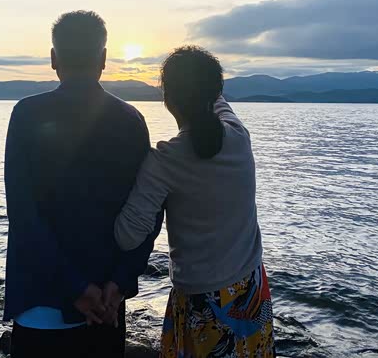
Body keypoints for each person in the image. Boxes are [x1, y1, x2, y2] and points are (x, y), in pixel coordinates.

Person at [3, 11, 163, 358]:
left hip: (41, 305)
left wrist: (76, 288)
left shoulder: (27, 114)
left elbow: (23, 215)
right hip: (106, 307)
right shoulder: (131, 120)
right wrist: (121, 281)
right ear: (103, 59)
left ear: (53, 58)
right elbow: (147, 211)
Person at [114, 46, 275, 358]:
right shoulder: (239, 137)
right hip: (251, 290)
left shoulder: (164, 161)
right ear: (215, 93)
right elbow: (218, 103)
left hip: (201, 302)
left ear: (168, 100)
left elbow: (127, 236)